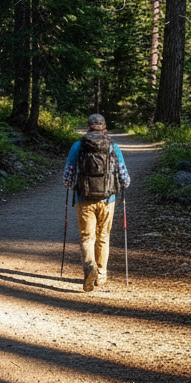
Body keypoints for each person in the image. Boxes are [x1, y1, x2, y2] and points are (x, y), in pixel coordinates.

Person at [62, 114, 130, 292]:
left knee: (87, 237)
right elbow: (125, 179)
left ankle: (89, 267)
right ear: (104, 127)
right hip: (108, 200)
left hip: (84, 199)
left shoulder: (78, 146)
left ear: (89, 127)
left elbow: (67, 179)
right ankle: (101, 274)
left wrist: (73, 184)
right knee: (103, 237)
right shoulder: (113, 146)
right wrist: (121, 185)